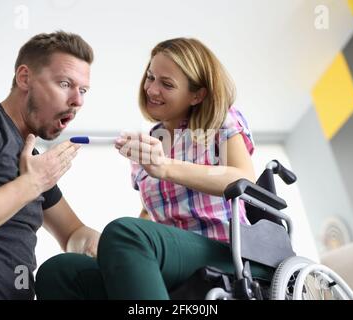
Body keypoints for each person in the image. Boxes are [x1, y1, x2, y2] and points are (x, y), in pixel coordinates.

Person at [35, 37, 263, 300]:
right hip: (172, 258)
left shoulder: (219, 121)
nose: (151, 90)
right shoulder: (150, 143)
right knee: (61, 271)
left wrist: (165, 167)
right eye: (150, 77)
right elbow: (149, 216)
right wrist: (113, 250)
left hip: (225, 250)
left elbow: (245, 179)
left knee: (125, 233)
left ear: (196, 95)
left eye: (166, 84)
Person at [0, 31, 100, 299]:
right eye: (65, 84)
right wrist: (33, 183)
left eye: (83, 90)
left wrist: (104, 246)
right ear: (24, 78)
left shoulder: (33, 160)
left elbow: (73, 233)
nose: (78, 101)